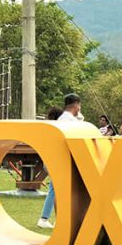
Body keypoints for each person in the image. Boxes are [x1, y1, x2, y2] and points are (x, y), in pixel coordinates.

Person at [37, 94, 82, 229]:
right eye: (79, 105)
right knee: (59, 190)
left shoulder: (64, 119)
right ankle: (56, 220)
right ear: (76, 105)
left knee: (55, 189)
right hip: (60, 160)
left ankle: (46, 218)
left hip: (53, 159)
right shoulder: (69, 121)